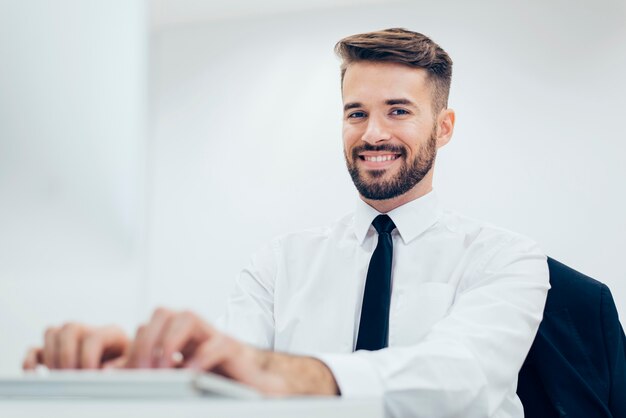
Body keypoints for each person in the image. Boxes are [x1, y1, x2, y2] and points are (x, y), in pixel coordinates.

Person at [23, 28, 550, 417]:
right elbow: (226, 381)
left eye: (398, 111)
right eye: (356, 113)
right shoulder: (280, 263)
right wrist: (138, 371)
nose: (372, 134)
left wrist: (280, 372)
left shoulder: (507, 259)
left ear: (445, 126)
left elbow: (459, 377)